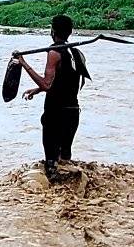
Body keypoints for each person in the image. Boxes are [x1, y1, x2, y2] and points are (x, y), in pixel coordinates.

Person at [12, 14, 90, 183]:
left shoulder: (54, 52)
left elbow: (48, 84)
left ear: (52, 31)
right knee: (65, 159)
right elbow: (66, 81)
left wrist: (23, 63)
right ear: (70, 32)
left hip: (55, 114)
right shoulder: (77, 53)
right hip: (73, 112)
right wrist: (37, 90)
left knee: (52, 166)